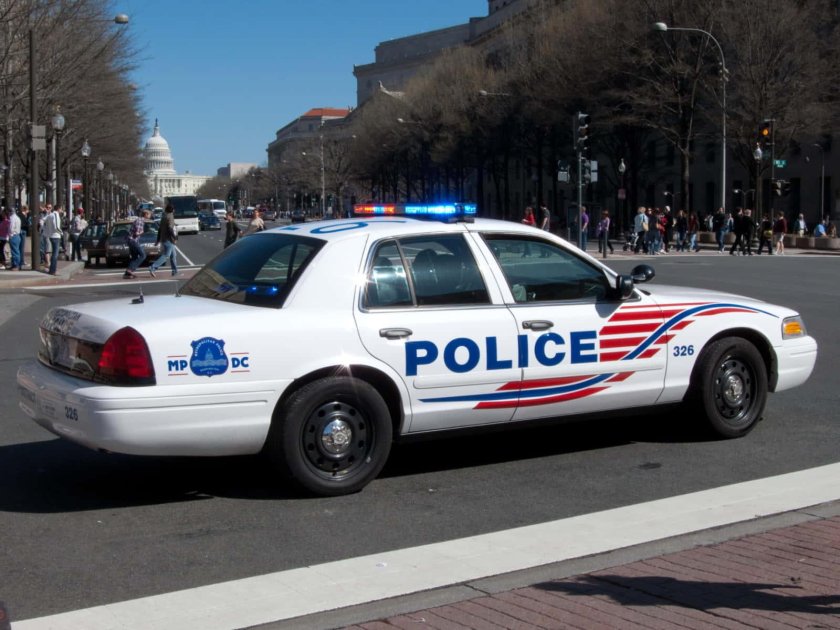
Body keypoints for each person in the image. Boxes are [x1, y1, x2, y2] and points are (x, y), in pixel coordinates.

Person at [149, 204, 178, 277]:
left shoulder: (164, 216)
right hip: (169, 239)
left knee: (173, 255)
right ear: (172, 210)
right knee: (166, 255)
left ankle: (175, 271)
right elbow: (170, 228)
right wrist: (174, 238)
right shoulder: (170, 216)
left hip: (163, 238)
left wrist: (158, 240)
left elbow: (160, 229)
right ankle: (153, 267)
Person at [124, 209, 149, 279]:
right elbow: (137, 233)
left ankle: (127, 273)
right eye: (149, 214)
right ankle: (130, 270)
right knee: (143, 255)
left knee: (134, 257)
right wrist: (142, 232)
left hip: (131, 240)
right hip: (132, 240)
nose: (150, 215)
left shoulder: (140, 220)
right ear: (146, 214)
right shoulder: (140, 221)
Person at [43, 204, 63, 275]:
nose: (61, 210)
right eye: (61, 209)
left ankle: (52, 269)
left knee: (53, 253)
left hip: (51, 235)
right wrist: (61, 232)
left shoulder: (50, 215)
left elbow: (44, 221)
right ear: (59, 209)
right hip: (56, 236)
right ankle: (53, 270)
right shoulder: (55, 215)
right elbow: (56, 226)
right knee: (55, 254)